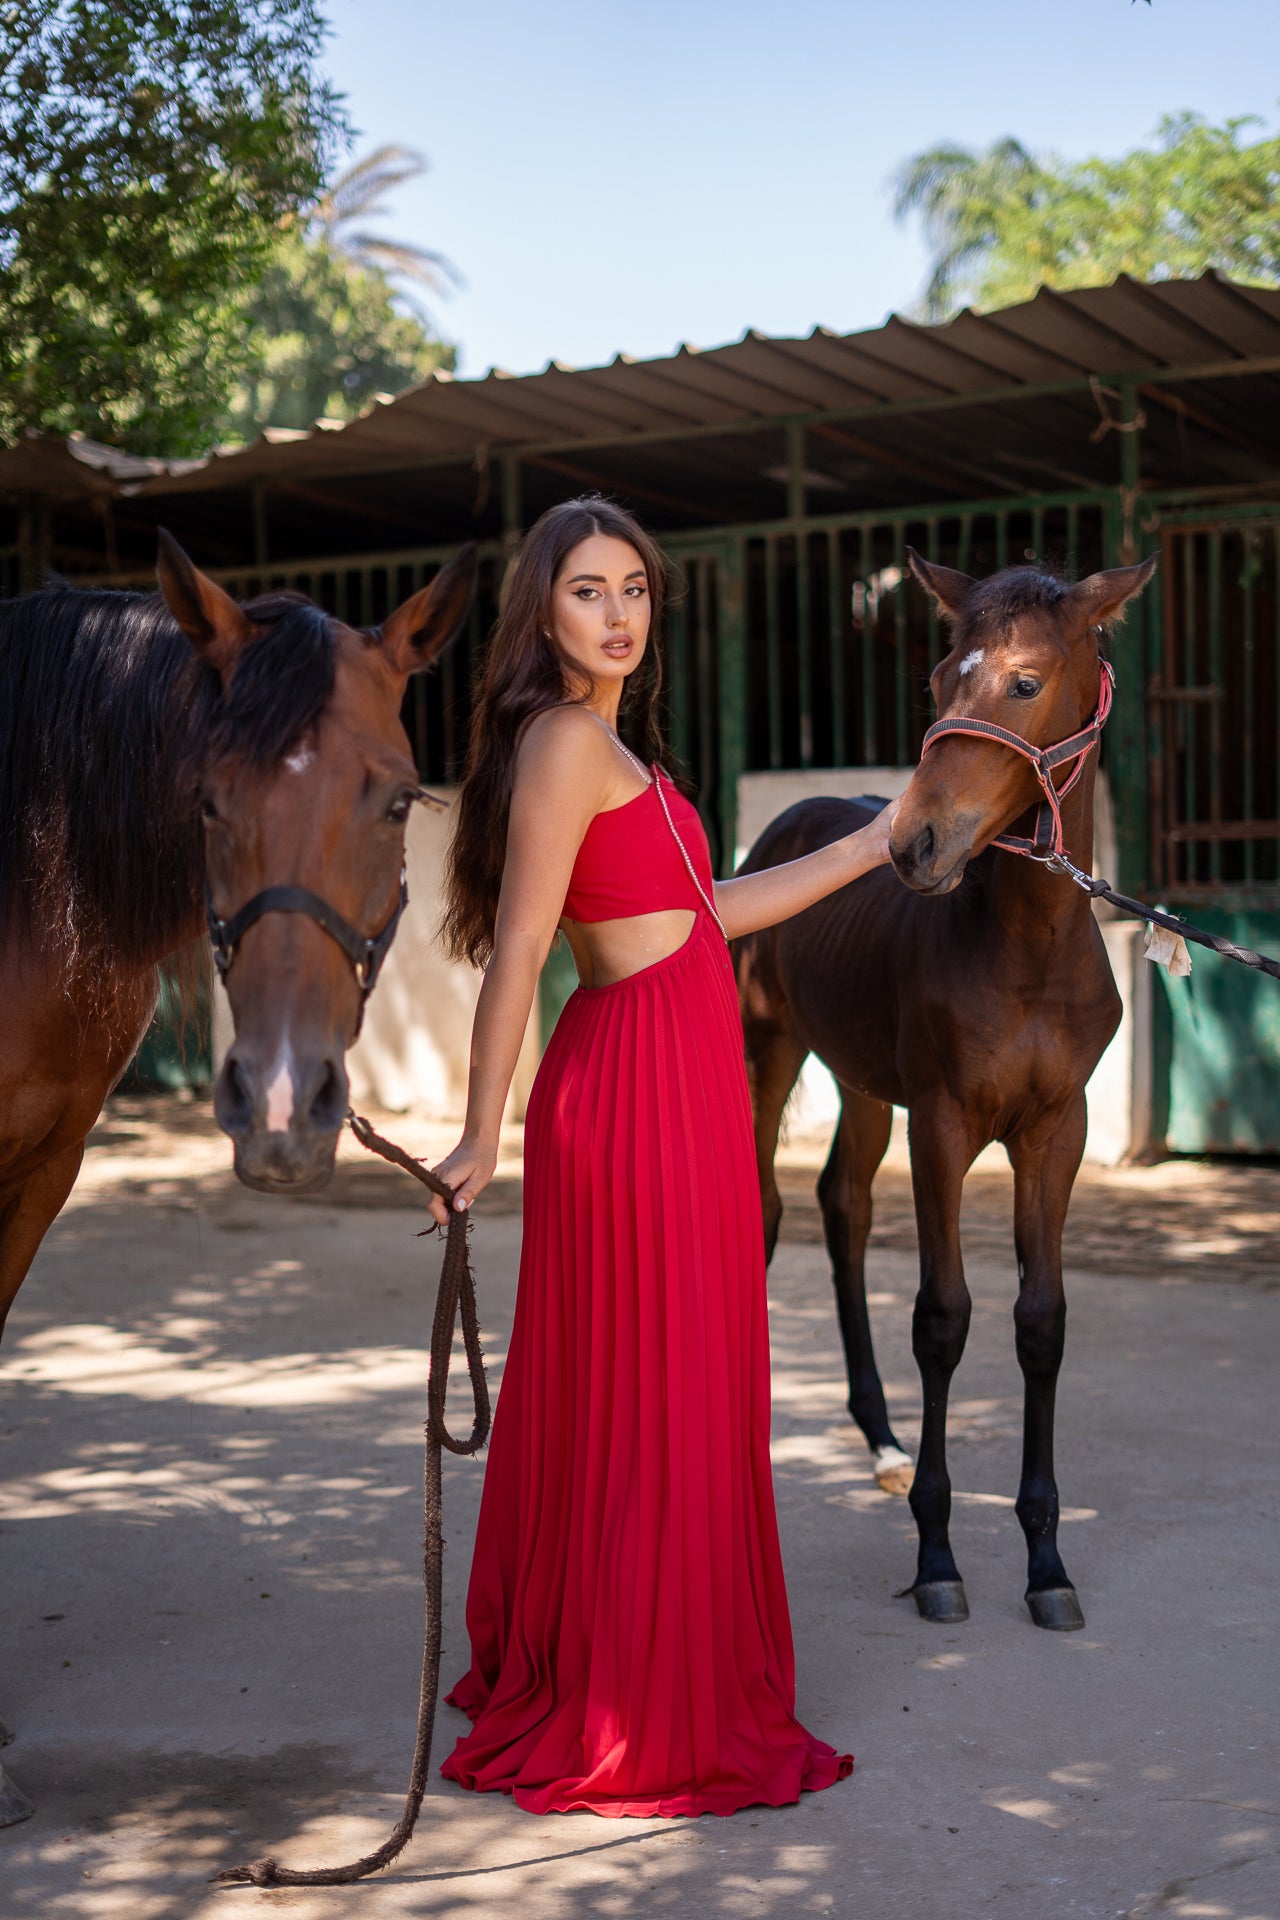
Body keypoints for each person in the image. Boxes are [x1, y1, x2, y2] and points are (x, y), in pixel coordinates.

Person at [430, 495, 898, 1818]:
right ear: (542, 610)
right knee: (652, 1391)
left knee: (682, 1386)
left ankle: (641, 1661)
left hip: (684, 1085)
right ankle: (636, 1697)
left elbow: (707, 914)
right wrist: (480, 1128)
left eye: (634, 588)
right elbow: (523, 946)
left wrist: (873, 842)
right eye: (589, 590)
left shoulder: (617, 746)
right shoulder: (566, 741)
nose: (619, 613)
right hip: (631, 1091)